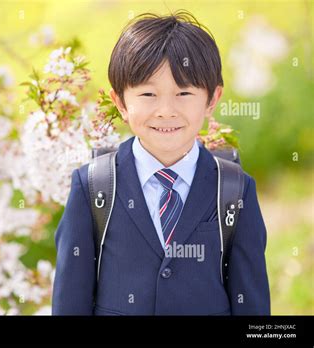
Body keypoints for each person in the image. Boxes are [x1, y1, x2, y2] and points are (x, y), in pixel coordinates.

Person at [52, 10, 270, 315]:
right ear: (120, 103)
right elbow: (69, 302)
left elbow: (253, 303)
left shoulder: (233, 189)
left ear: (212, 100)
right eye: (148, 94)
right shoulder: (94, 186)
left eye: (184, 93)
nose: (166, 111)